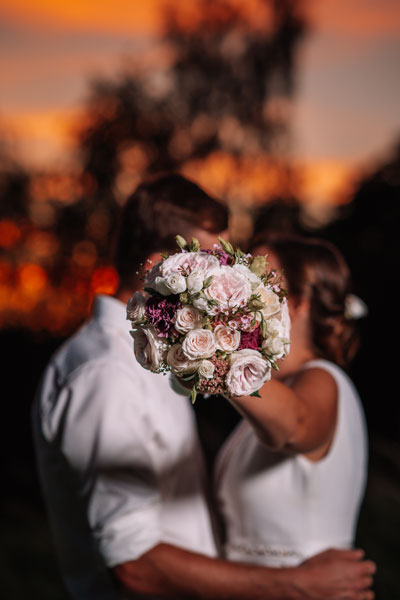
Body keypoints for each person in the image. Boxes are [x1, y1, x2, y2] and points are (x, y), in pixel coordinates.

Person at [33, 177, 375, 600]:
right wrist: (294, 585)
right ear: (168, 268)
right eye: (215, 264)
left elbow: (297, 425)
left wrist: (217, 347)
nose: (232, 284)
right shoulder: (108, 370)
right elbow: (132, 560)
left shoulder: (316, 383)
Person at [216, 235, 370, 572]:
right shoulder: (272, 396)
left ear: (297, 305)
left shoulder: (324, 379)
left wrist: (211, 350)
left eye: (254, 282)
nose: (236, 294)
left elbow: (294, 428)